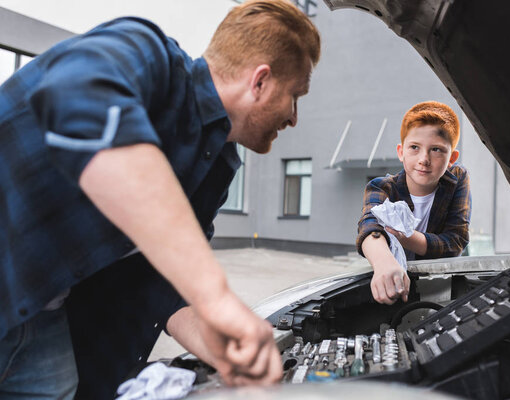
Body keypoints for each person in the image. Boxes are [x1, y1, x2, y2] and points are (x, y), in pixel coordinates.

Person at [0, 0, 320, 398]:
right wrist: (214, 296)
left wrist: (220, 347)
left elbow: (156, 283)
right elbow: (81, 108)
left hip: (41, 319)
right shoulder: (144, 51)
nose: (293, 118)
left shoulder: (216, 167)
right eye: (295, 96)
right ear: (260, 81)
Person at [357, 101, 471, 305]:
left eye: (436, 149)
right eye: (414, 147)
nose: (424, 159)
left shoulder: (457, 180)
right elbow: (369, 227)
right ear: (401, 152)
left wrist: (406, 237)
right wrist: (384, 264)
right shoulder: (381, 187)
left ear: (451, 157)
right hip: (388, 284)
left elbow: (455, 242)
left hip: (438, 287)